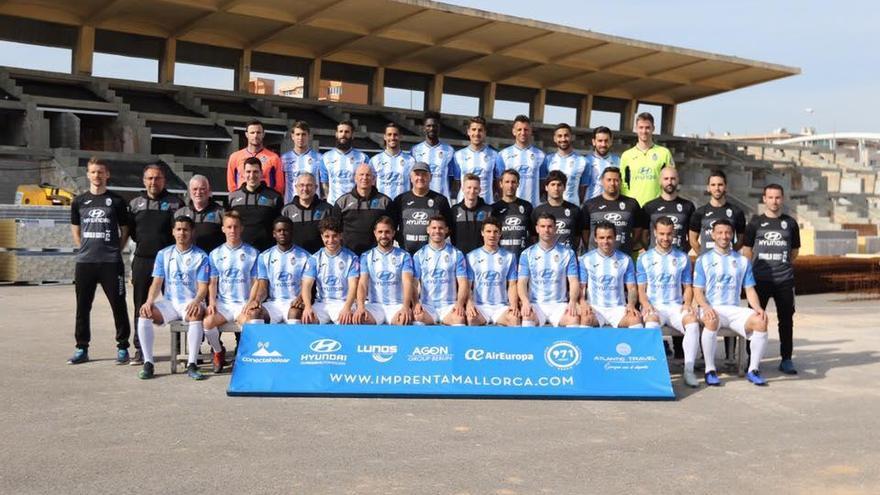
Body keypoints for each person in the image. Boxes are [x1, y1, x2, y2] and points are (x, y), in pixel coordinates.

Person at [68, 158, 132, 365]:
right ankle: (81, 347)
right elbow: (76, 228)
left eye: (100, 172)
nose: (97, 176)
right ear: (88, 174)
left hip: (111, 262)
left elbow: (125, 229)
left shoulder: (116, 201)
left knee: (118, 305)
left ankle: (123, 347)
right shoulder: (79, 201)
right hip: (85, 262)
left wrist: (117, 249)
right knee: (83, 306)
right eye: (93, 172)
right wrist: (83, 247)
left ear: (107, 175)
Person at [693, 219, 770, 386]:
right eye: (720, 232)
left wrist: (758, 308)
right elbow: (697, 292)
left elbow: (749, 290)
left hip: (733, 310)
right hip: (711, 308)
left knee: (761, 321)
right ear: (712, 235)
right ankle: (710, 370)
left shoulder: (742, 261)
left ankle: (753, 370)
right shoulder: (703, 260)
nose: (724, 236)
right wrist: (706, 307)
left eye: (728, 232)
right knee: (711, 320)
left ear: (733, 235)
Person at [135, 216, 210, 380]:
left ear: (192, 233)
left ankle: (192, 364)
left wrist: (197, 301)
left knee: (195, 314)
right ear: (173, 232)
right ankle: (148, 363)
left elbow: (203, 287)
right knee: (144, 313)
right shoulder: (163, 254)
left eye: (185, 229)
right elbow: (156, 283)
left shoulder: (201, 256)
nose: (182, 233)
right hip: (170, 303)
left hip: (190, 301)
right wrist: (149, 302)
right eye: (178, 229)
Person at [129, 164, 185, 365]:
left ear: (164, 180)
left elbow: (181, 231)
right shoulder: (135, 204)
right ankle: (140, 350)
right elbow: (133, 234)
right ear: (144, 181)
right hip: (143, 260)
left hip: (170, 262)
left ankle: (179, 349)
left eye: (158, 178)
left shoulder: (175, 203)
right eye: (150, 178)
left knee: (177, 303)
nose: (154, 182)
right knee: (141, 306)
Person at [742, 183, 801, 375]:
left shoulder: (790, 223)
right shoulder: (755, 223)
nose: (774, 201)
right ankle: (752, 359)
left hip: (784, 280)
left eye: (777, 197)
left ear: (782, 199)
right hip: (760, 280)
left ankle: (786, 359)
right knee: (755, 319)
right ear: (764, 199)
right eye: (770, 197)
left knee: (786, 320)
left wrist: (781, 265)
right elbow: (747, 251)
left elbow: (794, 252)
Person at [637, 217, 701, 387]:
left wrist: (687, 304)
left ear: (674, 234)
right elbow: (641, 290)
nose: (665, 238)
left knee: (693, 323)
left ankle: (688, 370)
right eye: (662, 234)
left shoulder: (682, 258)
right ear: (655, 233)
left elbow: (687, 287)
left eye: (669, 234)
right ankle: (653, 371)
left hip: (675, 307)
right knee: (651, 323)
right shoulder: (644, 258)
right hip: (654, 306)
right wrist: (646, 305)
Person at [203, 211, 260, 374]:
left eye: (236, 227)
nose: (232, 230)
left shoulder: (252, 253)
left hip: (243, 304)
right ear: (223, 229)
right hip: (224, 304)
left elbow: (256, 281)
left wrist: (251, 301)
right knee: (207, 323)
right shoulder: (215, 254)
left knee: (251, 325)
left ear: (241, 228)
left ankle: (244, 357)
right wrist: (212, 302)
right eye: (229, 227)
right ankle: (218, 352)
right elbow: (213, 282)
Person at [518, 213, 580, 327]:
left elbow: (573, 281)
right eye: (543, 226)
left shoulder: (568, 253)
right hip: (536, 304)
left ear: (555, 229)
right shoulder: (527, 254)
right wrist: (525, 302)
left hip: (559, 304)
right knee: (527, 316)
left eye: (550, 226)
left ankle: (567, 345)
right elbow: (522, 282)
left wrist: (573, 301)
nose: (546, 230)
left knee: (573, 318)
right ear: (537, 229)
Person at [246, 217, 311, 324]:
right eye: (279, 230)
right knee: (255, 313)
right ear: (274, 233)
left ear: (292, 232)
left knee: (294, 313)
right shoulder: (264, 256)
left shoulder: (305, 256)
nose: (282, 233)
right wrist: (257, 300)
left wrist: (300, 298)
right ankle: (263, 341)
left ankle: (293, 341)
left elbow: (307, 286)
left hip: (294, 303)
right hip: (274, 304)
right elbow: (263, 287)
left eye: (286, 230)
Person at [579, 221, 643, 328]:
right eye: (602, 238)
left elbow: (631, 288)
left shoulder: (625, 259)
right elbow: (581, 287)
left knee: (635, 319)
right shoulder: (586, 259)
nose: (605, 241)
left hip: (618, 308)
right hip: (595, 308)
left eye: (609, 237)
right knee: (586, 319)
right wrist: (582, 302)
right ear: (595, 238)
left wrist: (631, 305)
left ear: (615, 238)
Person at [355, 216, 415, 325]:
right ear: (375, 233)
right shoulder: (366, 256)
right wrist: (360, 307)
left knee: (404, 321)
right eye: (380, 232)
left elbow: (407, 282)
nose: (383, 235)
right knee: (360, 320)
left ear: (393, 233)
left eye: (387, 232)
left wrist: (406, 307)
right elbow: (362, 284)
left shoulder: (404, 256)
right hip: (374, 305)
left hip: (397, 305)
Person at [301, 217, 360, 324]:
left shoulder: (352, 258)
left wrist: (347, 307)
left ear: (340, 235)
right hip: (322, 303)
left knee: (348, 321)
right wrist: (308, 307)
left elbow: (353, 286)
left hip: (343, 302)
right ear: (322, 237)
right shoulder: (314, 259)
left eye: (334, 236)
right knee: (308, 320)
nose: (331, 240)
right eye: (327, 236)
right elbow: (306, 286)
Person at [412, 215, 468, 325]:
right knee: (417, 317)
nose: (437, 231)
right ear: (428, 230)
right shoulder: (419, 255)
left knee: (459, 319)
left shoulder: (457, 254)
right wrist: (416, 303)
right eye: (434, 228)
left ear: (446, 230)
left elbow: (463, 283)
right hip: (427, 305)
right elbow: (413, 283)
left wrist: (460, 304)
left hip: (449, 305)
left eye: (441, 228)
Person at [466, 217, 520, 326]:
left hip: (501, 307)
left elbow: (512, 285)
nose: (492, 235)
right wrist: (469, 303)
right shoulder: (471, 256)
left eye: (496, 232)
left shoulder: (509, 257)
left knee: (514, 319)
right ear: (482, 233)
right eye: (488, 231)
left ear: (500, 234)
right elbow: (467, 286)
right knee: (471, 319)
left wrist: (514, 305)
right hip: (479, 306)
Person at [581, 167, 647, 254]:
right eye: (609, 180)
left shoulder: (632, 204)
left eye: (616, 180)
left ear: (620, 182)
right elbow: (585, 232)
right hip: (596, 258)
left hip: (622, 257)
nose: (612, 183)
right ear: (602, 181)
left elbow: (638, 230)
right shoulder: (590, 204)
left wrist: (628, 245)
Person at [391, 162, 452, 254]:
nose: (420, 178)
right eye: (417, 175)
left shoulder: (440, 200)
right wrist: (401, 240)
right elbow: (392, 227)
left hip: (432, 254)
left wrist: (436, 241)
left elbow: (449, 227)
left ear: (430, 177)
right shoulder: (400, 200)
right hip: (406, 253)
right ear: (411, 178)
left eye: (424, 175)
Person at [331, 164, 393, 255]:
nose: (365, 178)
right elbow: (335, 230)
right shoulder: (342, 202)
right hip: (349, 254)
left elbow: (391, 228)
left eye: (368, 175)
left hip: (376, 255)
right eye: (361, 174)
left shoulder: (385, 202)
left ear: (373, 179)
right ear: (355, 178)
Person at [228, 157, 283, 251]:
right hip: (240, 251)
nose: (252, 175)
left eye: (255, 172)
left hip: (266, 251)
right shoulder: (233, 197)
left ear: (261, 173)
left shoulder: (274, 197)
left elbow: (278, 226)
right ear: (243, 174)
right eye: (248, 172)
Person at [620, 112, 675, 206]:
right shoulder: (627, 155)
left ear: (653, 128)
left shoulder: (664, 153)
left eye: (647, 127)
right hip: (633, 206)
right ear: (636, 129)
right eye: (641, 127)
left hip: (657, 206)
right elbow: (623, 182)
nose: (644, 131)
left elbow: (671, 181)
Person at [689, 169, 747, 255]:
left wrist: (729, 253)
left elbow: (741, 239)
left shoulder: (737, 212)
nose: (717, 188)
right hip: (707, 263)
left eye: (720, 185)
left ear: (725, 187)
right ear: (708, 188)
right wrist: (703, 256)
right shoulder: (699, 212)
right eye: (713, 185)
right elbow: (692, 240)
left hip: (728, 262)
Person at [642, 166, 695, 253]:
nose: (669, 182)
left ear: (678, 180)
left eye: (673, 179)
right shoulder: (649, 206)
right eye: (666, 179)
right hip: (655, 258)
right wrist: (651, 250)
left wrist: (683, 251)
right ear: (660, 181)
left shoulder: (688, 206)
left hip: (678, 258)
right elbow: (643, 237)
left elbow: (692, 237)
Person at [452, 116, 502, 204]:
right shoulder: (458, 155)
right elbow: (457, 183)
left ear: (485, 133)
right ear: (468, 131)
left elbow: (497, 183)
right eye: (474, 129)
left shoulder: (494, 155)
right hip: (464, 206)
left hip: (487, 205)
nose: (477, 133)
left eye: (480, 130)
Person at [497, 115, 545, 206]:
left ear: (531, 131)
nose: (523, 133)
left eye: (526, 129)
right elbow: (499, 183)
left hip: (532, 206)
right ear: (514, 131)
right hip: (510, 207)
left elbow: (542, 183)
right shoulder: (503, 154)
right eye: (519, 129)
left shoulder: (541, 155)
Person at [226, 119, 284, 195]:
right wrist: (236, 198)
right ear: (246, 134)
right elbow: (231, 184)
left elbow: (279, 185)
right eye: (252, 133)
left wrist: (273, 199)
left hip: (265, 200)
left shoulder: (273, 158)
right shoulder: (235, 157)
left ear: (263, 134)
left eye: (258, 132)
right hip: (242, 200)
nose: (255, 135)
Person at [280, 172, 332, 253]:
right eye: (301, 185)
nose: (305, 189)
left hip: (320, 258)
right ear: (296, 188)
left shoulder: (327, 209)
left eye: (309, 185)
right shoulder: (287, 210)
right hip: (295, 258)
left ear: (316, 187)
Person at [532, 170, 583, 251]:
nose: (556, 188)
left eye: (559, 185)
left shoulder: (575, 210)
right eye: (553, 185)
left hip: (567, 257)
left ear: (564, 187)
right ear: (546, 187)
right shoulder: (538, 211)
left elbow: (577, 237)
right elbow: (534, 237)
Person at [410, 111, 455, 200]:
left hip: (441, 199)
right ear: (424, 128)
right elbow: (412, 177)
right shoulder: (415, 150)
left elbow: (452, 178)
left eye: (434, 126)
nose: (431, 128)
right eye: (428, 126)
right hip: (421, 198)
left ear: (439, 128)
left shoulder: (449, 150)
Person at [320, 120, 368, 203]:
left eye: (347, 132)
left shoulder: (363, 158)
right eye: (340, 131)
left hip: (355, 205)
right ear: (336, 134)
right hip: (333, 204)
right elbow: (325, 183)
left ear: (352, 135)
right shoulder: (325, 157)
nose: (343, 134)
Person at [175, 174, 225, 254]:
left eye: (202, 189)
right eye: (195, 189)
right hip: (186, 260)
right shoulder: (180, 213)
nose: (198, 192)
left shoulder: (220, 213)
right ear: (189, 191)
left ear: (209, 191)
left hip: (211, 261)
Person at [542, 123, 589, 205]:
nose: (563, 139)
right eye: (559, 136)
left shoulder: (583, 161)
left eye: (566, 135)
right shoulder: (547, 160)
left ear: (571, 137)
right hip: (551, 209)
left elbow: (583, 190)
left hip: (573, 209)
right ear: (555, 138)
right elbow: (543, 186)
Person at [491, 169, 533, 258]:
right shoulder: (493, 209)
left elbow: (533, 235)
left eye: (513, 182)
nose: (510, 186)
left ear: (518, 184)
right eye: (507, 182)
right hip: (500, 258)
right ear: (501, 184)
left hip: (522, 258)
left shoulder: (527, 206)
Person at [280, 120, 323, 203]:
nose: (300, 138)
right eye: (298, 134)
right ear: (292, 136)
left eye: (304, 134)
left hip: (313, 205)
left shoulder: (319, 158)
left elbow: (322, 184)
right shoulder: (284, 158)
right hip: (290, 204)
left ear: (309, 136)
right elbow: (282, 185)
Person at [450, 173, 494, 255]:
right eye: (469, 187)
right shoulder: (454, 210)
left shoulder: (488, 210)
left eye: (475, 188)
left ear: (480, 190)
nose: (472, 191)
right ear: (462, 189)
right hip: (460, 258)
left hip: (482, 258)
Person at [371, 122, 414, 200]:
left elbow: (413, 185)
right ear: (384, 137)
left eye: (395, 134)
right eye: (389, 134)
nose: (392, 137)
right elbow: (371, 185)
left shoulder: (410, 160)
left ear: (400, 137)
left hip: (403, 204)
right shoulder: (375, 160)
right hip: (382, 205)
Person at [584, 126, 620, 200]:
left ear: (611, 142)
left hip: (612, 205)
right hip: (590, 206)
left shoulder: (618, 161)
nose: (603, 144)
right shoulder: (585, 161)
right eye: (600, 141)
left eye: (606, 141)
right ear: (594, 142)